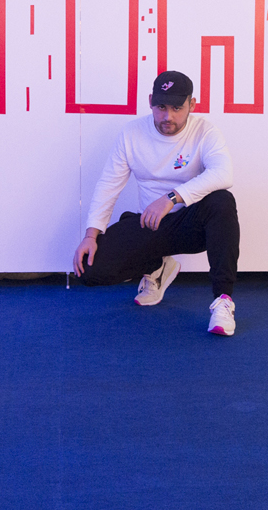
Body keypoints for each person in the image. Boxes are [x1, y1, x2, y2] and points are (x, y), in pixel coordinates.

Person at [72, 70, 240, 335]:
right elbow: (108, 186)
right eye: (161, 107)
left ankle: (223, 301)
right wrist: (91, 235)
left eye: (177, 108)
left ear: (192, 105)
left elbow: (223, 173)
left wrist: (171, 198)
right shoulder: (131, 133)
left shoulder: (205, 131)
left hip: (191, 225)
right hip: (150, 225)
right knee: (89, 271)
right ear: (150, 101)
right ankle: (157, 266)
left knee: (222, 201)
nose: (167, 116)